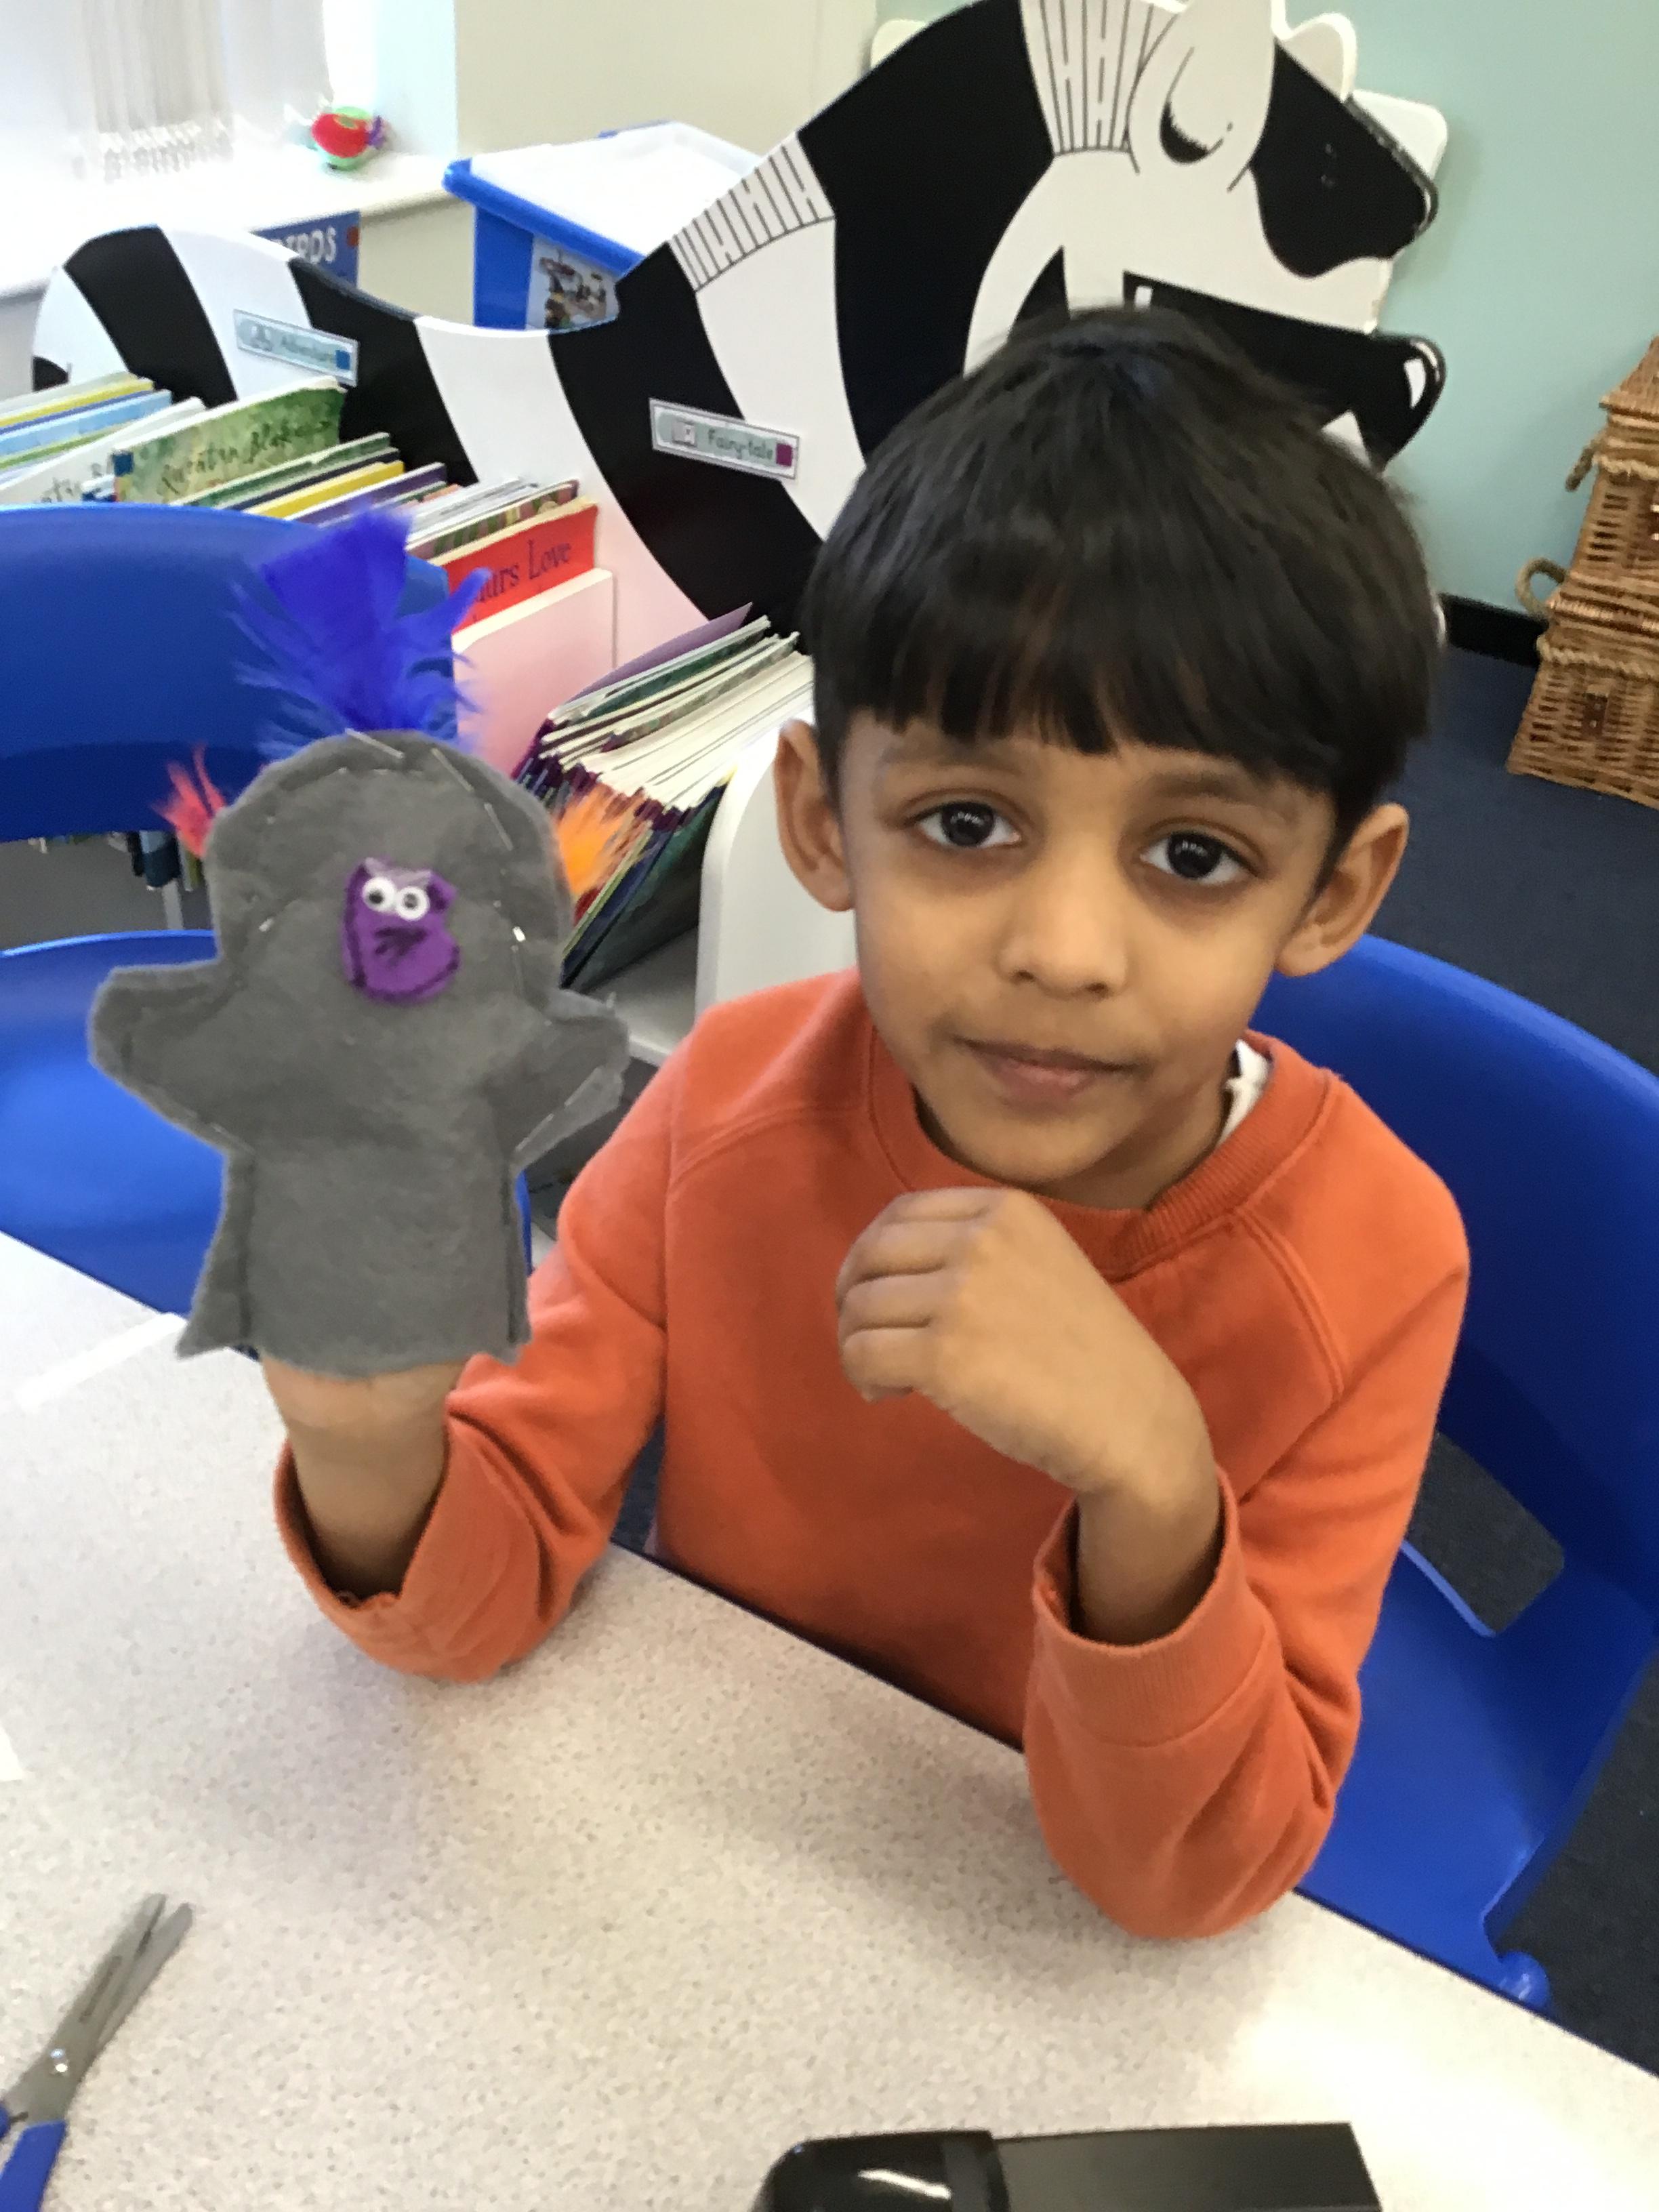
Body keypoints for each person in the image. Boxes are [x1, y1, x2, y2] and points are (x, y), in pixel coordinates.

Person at [263, 308, 1468, 1940]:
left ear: (1332, 892)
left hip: (1037, 1936)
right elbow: (475, 1602)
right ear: (825, 825)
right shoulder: (725, 1103)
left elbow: (1187, 1881)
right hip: (715, 1843)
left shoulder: (1376, 1258)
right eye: (967, 823)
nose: (1063, 951)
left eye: (1193, 856)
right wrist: (364, 1445)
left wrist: (1155, 1493)